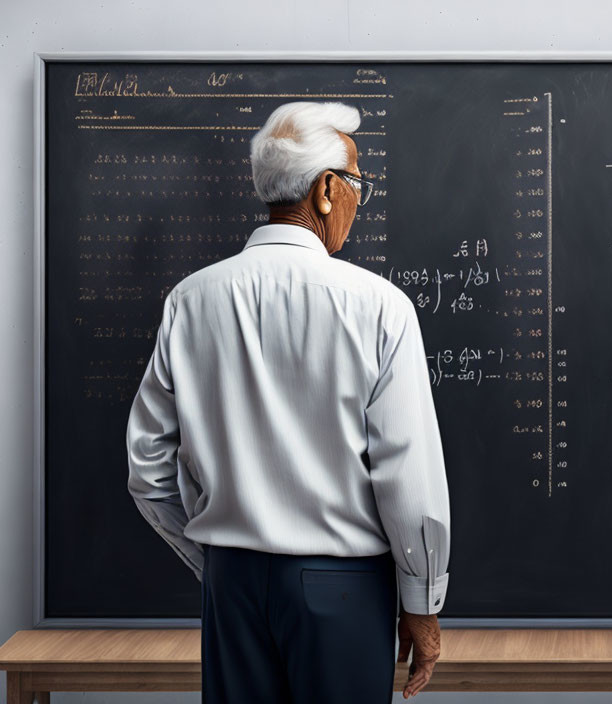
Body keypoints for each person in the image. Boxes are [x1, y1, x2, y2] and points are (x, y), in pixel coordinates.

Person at [125, 101, 451, 702]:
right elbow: (408, 478)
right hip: (344, 587)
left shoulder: (190, 301)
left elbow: (146, 470)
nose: (358, 202)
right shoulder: (380, 307)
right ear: (326, 189)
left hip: (231, 582)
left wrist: (214, 561)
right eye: (357, 186)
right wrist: (423, 605)